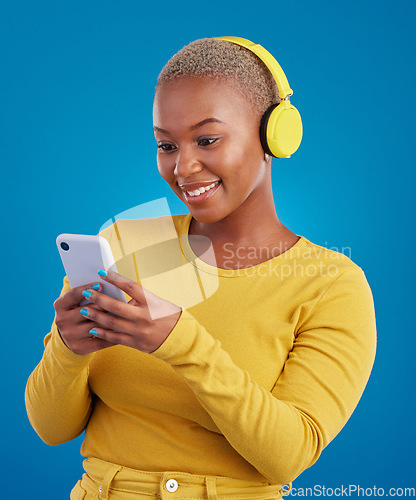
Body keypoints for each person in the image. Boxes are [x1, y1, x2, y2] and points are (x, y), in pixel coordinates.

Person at [25, 37, 377, 500]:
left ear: (273, 134)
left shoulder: (330, 285)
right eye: (166, 145)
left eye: (207, 139)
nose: (183, 167)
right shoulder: (124, 243)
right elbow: (52, 429)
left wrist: (180, 344)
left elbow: (288, 456)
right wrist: (68, 349)